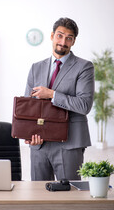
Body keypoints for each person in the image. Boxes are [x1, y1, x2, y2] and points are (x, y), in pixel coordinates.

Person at [24, 17, 94, 181]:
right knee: (38, 196)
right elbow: (28, 106)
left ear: (73, 41)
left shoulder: (84, 67)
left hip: (69, 143)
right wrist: (29, 134)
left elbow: (84, 105)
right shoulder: (36, 67)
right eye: (60, 35)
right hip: (39, 144)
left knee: (69, 196)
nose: (63, 41)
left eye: (69, 38)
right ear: (52, 36)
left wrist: (52, 94)